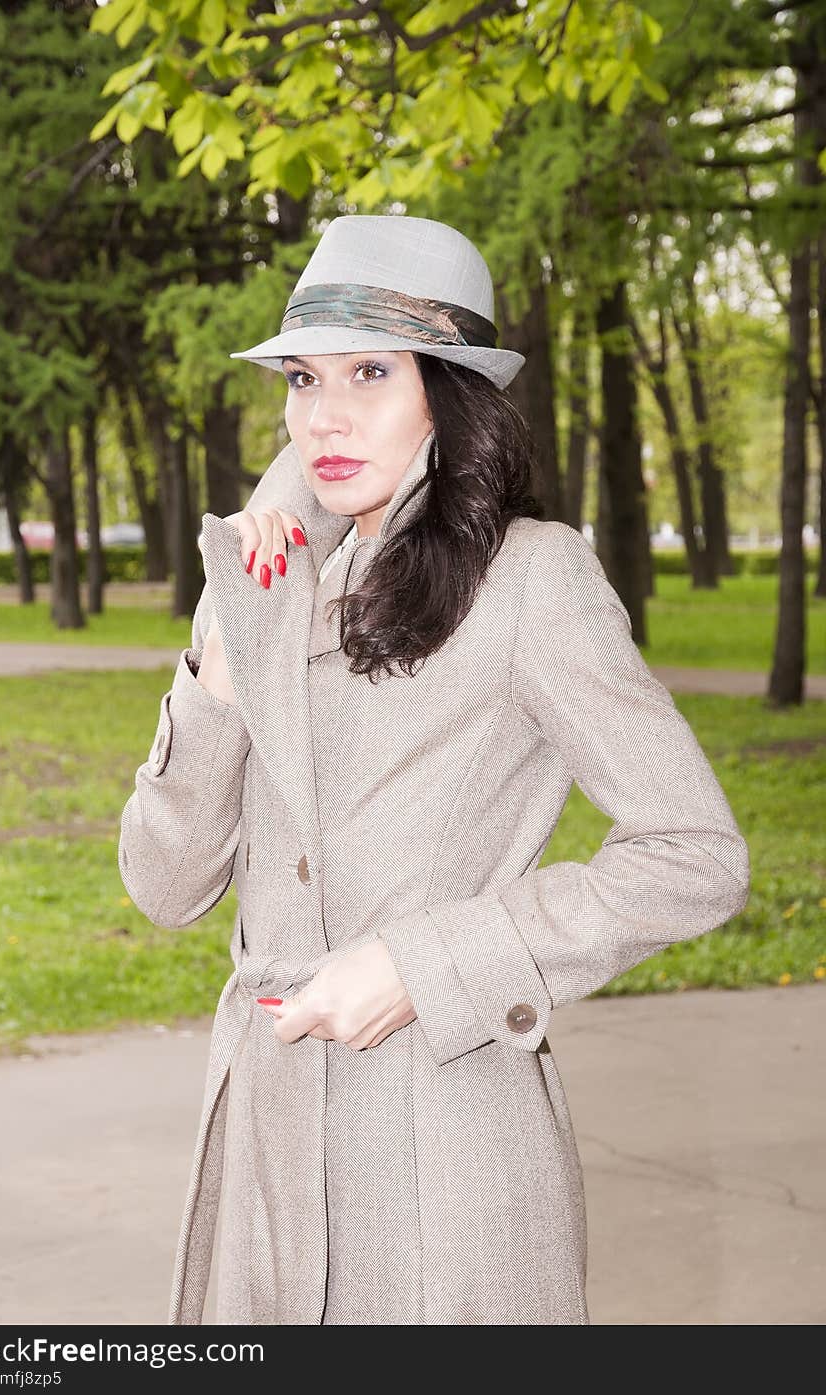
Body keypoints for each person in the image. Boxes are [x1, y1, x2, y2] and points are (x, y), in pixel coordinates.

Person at [118, 214, 750, 1326]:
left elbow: (693, 857)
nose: (327, 415)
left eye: (371, 371)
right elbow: (163, 889)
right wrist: (221, 655)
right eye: (303, 379)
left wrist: (426, 964)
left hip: (443, 1150)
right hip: (262, 1145)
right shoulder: (269, 580)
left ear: (447, 395)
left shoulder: (530, 581)